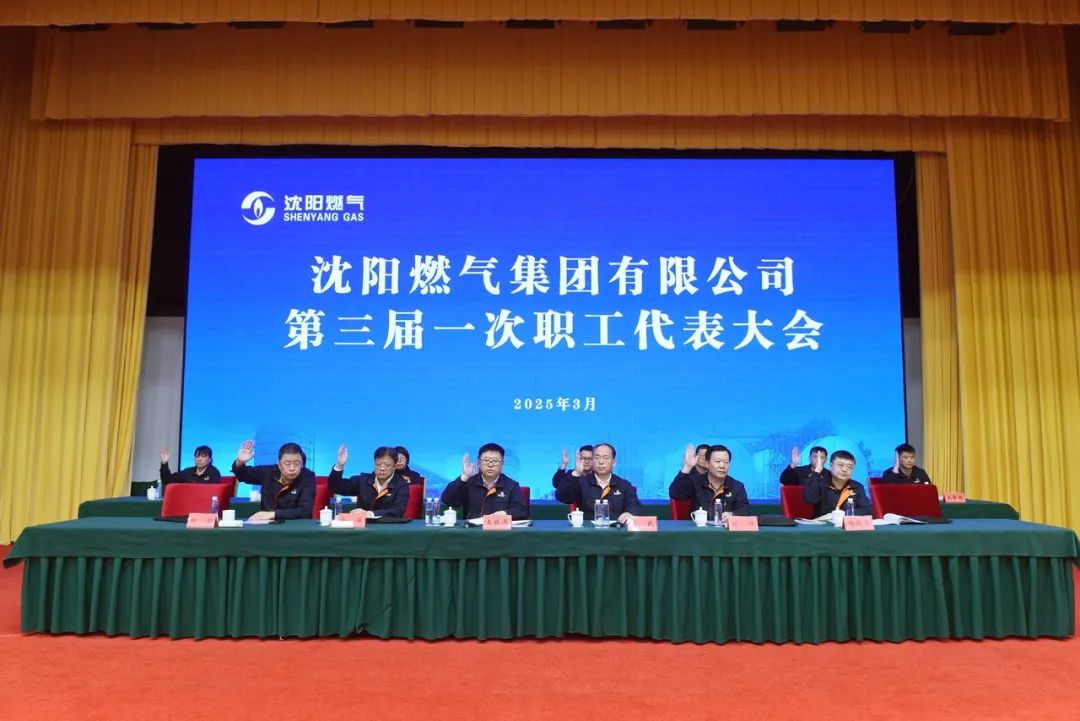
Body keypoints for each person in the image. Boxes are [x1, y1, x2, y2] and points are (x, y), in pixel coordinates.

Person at [555, 442, 642, 523]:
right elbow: (562, 497)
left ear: (613, 462)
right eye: (597, 458)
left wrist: (630, 513)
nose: (601, 462)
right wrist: (576, 473)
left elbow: (634, 505)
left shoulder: (624, 485)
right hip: (587, 531)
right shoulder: (581, 482)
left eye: (605, 458)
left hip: (616, 530)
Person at [231, 440, 316, 521]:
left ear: (302, 464)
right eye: (287, 464)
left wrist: (272, 514)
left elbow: (305, 511)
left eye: (297, 463)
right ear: (279, 464)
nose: (292, 468)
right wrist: (240, 462)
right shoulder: (269, 472)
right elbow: (244, 475)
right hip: (267, 526)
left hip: (296, 526)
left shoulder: (308, 477)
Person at [441, 443, 528, 520]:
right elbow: (447, 500)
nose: (490, 464)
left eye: (495, 461)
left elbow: (522, 511)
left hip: (500, 530)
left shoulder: (511, 485)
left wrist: (505, 513)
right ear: (479, 461)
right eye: (486, 460)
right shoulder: (469, 483)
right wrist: (464, 477)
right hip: (473, 530)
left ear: (502, 463)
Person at [669, 443, 751, 517]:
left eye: (726, 462)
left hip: (724, 528)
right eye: (718, 461)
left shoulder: (737, 486)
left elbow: (745, 510)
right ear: (707, 463)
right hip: (698, 528)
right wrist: (687, 467)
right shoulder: (695, 481)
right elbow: (675, 494)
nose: (722, 466)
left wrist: (732, 514)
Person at [329, 445, 408, 517]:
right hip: (363, 526)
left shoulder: (401, 484)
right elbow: (335, 487)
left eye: (387, 465)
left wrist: (369, 514)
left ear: (394, 467)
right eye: (378, 464)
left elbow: (398, 510)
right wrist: (340, 465)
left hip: (389, 526)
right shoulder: (363, 480)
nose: (382, 468)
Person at [802, 450, 871, 517]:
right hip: (821, 524)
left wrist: (840, 514)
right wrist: (817, 471)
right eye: (841, 465)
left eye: (849, 467)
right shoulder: (820, 483)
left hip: (846, 523)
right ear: (831, 466)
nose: (844, 469)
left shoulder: (857, 486)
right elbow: (809, 499)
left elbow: (866, 510)